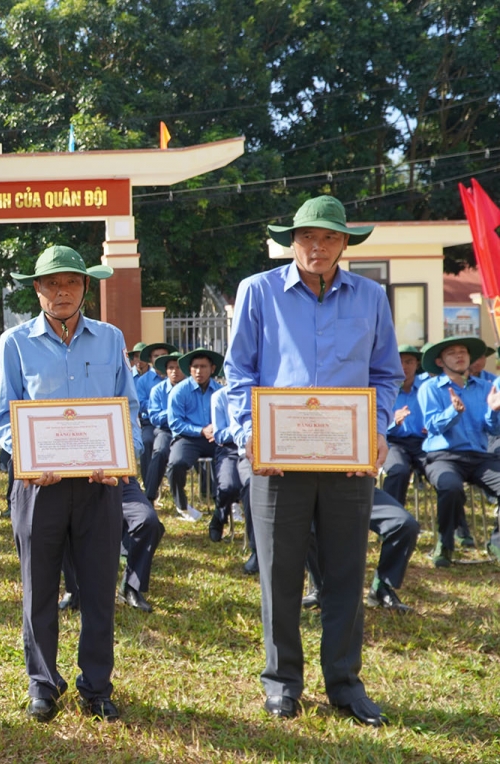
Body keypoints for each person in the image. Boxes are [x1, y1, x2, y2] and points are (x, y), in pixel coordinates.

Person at [225, 195, 400, 727]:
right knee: (279, 577)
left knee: (346, 574)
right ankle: (282, 683)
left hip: (347, 462)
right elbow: (239, 373)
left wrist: (375, 429)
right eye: (306, 237)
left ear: (346, 243)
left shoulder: (371, 297)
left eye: (328, 238)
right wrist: (252, 435)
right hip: (276, 462)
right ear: (291, 241)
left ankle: (345, 685)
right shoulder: (258, 292)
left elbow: (385, 375)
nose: (317, 247)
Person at [0, 245, 140, 724]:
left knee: (99, 588)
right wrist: (30, 458)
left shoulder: (111, 337)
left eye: (71, 283)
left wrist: (121, 459)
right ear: (36, 289)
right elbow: (4, 418)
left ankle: (96, 686)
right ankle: (43, 683)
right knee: (38, 588)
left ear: (85, 288)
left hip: (101, 485)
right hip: (40, 487)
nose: (61, 292)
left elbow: (128, 407)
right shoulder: (14, 342)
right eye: (51, 283)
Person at [416, 336, 500, 567]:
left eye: (463, 351)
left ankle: (496, 541)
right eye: (452, 352)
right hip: (443, 456)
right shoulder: (430, 388)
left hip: (479, 457)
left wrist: (494, 411)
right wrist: (453, 412)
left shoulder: (485, 388)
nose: (460, 355)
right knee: (450, 487)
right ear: (440, 361)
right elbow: (432, 426)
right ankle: (445, 543)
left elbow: (493, 428)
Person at [301, 488, 419, 614]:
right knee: (306, 527)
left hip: (356, 487)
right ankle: (322, 588)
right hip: (315, 491)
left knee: (405, 525)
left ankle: (381, 587)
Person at [58, 480, 164, 613]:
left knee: (148, 521)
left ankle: (130, 586)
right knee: (62, 520)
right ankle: (73, 588)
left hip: (117, 479)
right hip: (74, 480)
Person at [165, 348, 223, 521]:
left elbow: (228, 418)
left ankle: (229, 504)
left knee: (232, 460)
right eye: (195, 366)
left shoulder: (220, 391)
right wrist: (200, 430)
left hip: (215, 437)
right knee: (176, 464)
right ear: (189, 369)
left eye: (204, 366)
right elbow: (175, 423)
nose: (199, 371)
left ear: (212, 369)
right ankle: (182, 505)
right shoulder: (179, 391)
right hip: (188, 438)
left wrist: (217, 428)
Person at [381, 346, 426, 506]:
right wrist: (395, 421)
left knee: (445, 473)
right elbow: (375, 423)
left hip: (423, 443)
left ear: (417, 364)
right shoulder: (385, 389)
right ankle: (392, 521)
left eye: (409, 362)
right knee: (398, 470)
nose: (404, 367)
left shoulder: (426, 388)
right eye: (399, 362)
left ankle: (457, 528)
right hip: (392, 442)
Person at [145, 352, 185, 508]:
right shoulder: (157, 390)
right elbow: (154, 417)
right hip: (165, 430)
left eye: (178, 367)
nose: (174, 371)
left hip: (187, 432)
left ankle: (212, 495)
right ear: (165, 371)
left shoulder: (190, 388)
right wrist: (174, 412)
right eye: (170, 368)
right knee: (160, 452)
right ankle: (149, 497)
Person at [135, 342, 177, 482]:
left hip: (176, 422)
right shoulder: (143, 381)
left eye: (163, 355)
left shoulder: (177, 377)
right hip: (150, 423)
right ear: (150, 359)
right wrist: (160, 408)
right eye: (156, 356)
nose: (159, 358)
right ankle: (149, 483)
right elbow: (141, 404)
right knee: (146, 441)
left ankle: (204, 488)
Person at [208, 384, 242, 543]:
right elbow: (219, 435)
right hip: (230, 448)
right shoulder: (220, 396)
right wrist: (243, 430)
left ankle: (256, 548)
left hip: (262, 446)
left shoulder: (264, 392)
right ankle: (219, 517)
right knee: (228, 486)